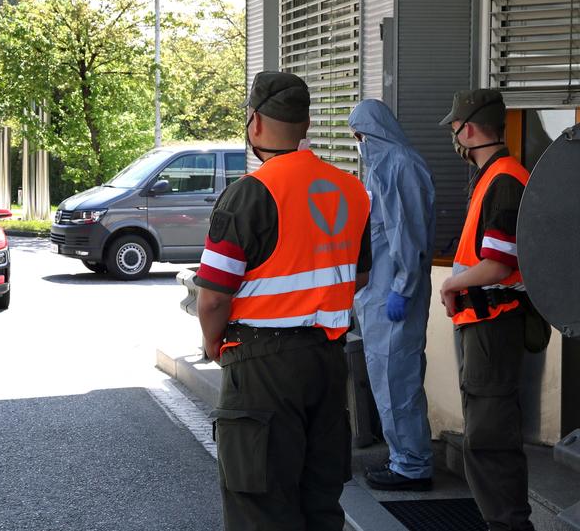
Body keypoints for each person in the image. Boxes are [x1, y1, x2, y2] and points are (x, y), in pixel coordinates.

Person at [194, 71, 372, 531]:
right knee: (320, 501)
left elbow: (213, 297)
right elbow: (361, 273)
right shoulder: (351, 191)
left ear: (254, 123)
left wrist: (214, 345)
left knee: (262, 506)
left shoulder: (249, 194)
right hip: (329, 361)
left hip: (261, 367)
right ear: (306, 124)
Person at [438, 89, 534, 531]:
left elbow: (498, 263)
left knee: (489, 439)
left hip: (493, 326)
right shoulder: (495, 176)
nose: (454, 136)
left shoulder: (504, 180)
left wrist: (453, 283)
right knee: (488, 435)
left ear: (470, 129)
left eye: (456, 127)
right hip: (485, 324)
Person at [347, 100, 436, 491]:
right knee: (390, 381)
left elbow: (407, 235)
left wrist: (402, 288)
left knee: (398, 382)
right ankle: (404, 457)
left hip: (394, 296)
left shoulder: (399, 164)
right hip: (381, 294)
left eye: (360, 136)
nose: (359, 144)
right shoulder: (384, 167)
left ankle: (412, 467)